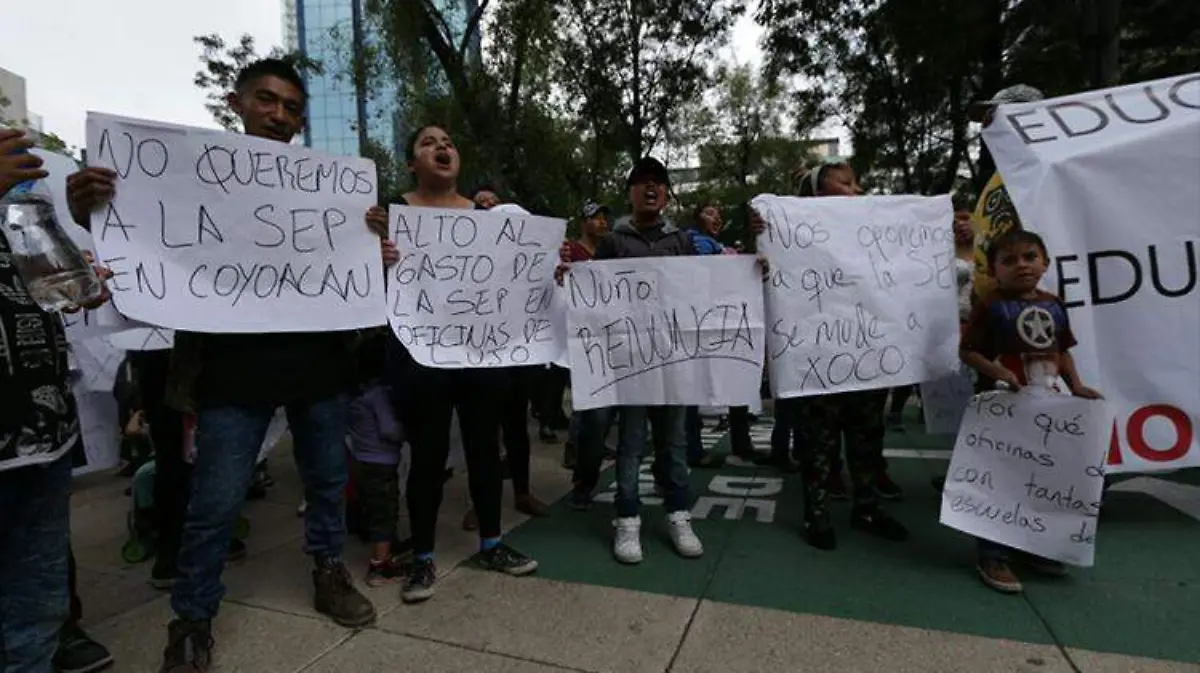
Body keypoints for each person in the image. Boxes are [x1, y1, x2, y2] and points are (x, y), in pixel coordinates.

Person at [67, 59, 396, 672]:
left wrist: (370, 244)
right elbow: (137, 230)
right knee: (215, 502)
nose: (279, 115)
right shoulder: (187, 176)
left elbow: (362, 274)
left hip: (320, 367)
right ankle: (192, 618)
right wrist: (89, 207)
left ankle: (328, 570)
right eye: (267, 100)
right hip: (230, 375)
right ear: (236, 103)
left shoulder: (328, 192)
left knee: (327, 483)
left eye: (292, 107)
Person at [374, 123, 538, 605]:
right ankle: (422, 557)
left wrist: (546, 268)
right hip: (420, 356)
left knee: (485, 449)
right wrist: (376, 256)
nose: (442, 147)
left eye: (448, 142)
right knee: (427, 456)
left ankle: (492, 542)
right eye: (428, 143)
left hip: (480, 354)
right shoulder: (391, 215)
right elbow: (360, 281)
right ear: (411, 164)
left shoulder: (484, 217)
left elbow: (514, 279)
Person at [1, 128, 114, 672]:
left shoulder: (22, 169)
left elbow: (52, 285)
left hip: (40, 428)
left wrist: (79, 277)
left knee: (38, 598)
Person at [960, 229, 1101, 593]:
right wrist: (998, 372)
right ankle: (992, 552)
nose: (1021, 266)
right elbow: (968, 351)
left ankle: (1029, 545)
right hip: (1002, 405)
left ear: (1045, 262)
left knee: (1039, 477)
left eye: (1029, 257)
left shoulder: (1054, 304)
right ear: (993, 270)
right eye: (1009, 261)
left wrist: (1075, 385)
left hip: (1045, 405)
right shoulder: (990, 305)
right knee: (998, 479)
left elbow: (1061, 350)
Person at [787, 160, 909, 551]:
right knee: (818, 443)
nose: (857, 190)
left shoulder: (877, 234)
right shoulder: (793, 235)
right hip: (819, 360)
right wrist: (765, 234)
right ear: (819, 194)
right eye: (847, 183)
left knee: (867, 438)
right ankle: (817, 513)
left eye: (857, 183)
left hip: (869, 358)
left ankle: (867, 508)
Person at [682, 202, 753, 467]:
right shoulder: (696, 243)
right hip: (704, 322)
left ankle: (728, 446)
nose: (717, 218)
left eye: (719, 214)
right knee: (696, 389)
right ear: (697, 217)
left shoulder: (716, 244)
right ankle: (698, 449)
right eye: (710, 212)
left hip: (722, 322)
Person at [968, 84, 1045, 303]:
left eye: (996, 116)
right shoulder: (1001, 172)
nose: (987, 124)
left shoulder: (1043, 170)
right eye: (987, 119)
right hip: (994, 305)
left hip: (1028, 306)